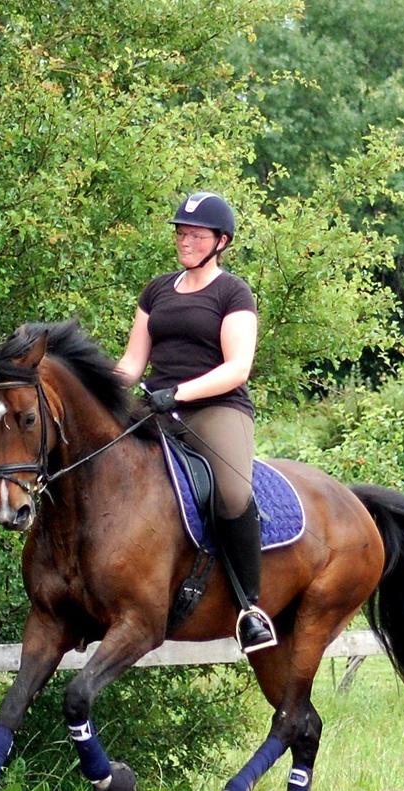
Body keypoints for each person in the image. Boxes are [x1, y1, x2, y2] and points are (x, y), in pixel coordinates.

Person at [115, 191, 276, 654]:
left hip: (216, 409)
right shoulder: (158, 290)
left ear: (220, 241)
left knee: (230, 492)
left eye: (195, 234)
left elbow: (237, 366)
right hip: (157, 407)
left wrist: (179, 393)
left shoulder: (233, 292)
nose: (185, 241)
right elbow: (131, 364)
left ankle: (251, 609)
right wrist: (83, 378)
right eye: (181, 233)